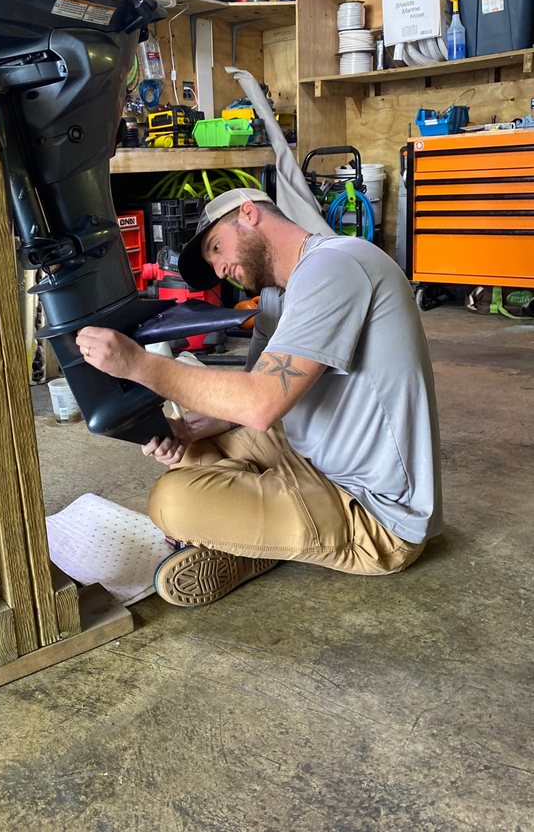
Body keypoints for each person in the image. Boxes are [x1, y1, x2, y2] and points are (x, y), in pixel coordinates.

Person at [75, 187, 443, 608]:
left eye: (217, 247)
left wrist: (139, 365)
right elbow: (258, 389)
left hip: (375, 513)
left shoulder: (336, 266)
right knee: (192, 450)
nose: (221, 268)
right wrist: (188, 428)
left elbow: (259, 402)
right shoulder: (283, 294)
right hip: (310, 455)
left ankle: (255, 539)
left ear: (248, 213)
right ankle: (259, 541)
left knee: (172, 502)